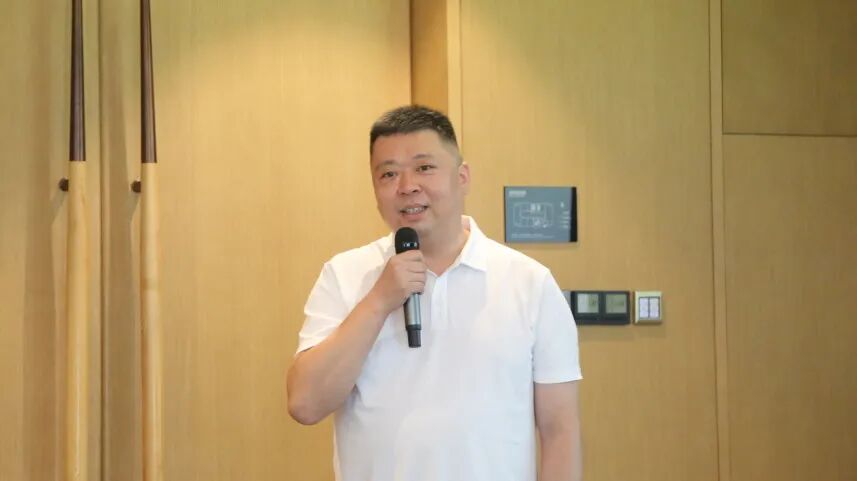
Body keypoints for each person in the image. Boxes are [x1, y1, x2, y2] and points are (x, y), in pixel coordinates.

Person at [287, 105, 582, 481]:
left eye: (424, 167)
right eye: (388, 173)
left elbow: (559, 431)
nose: (407, 186)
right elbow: (306, 404)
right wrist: (378, 301)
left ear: (462, 177)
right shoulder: (345, 275)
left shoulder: (529, 282)